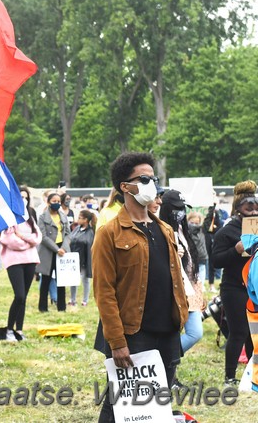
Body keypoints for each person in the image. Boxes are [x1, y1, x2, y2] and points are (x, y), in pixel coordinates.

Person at [93, 152, 188, 422]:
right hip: (134, 335)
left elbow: (174, 279)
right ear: (126, 187)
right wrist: (117, 341)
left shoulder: (165, 230)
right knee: (120, 407)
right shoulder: (109, 233)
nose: (153, 184)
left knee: (157, 406)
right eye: (145, 178)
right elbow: (104, 291)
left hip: (168, 332)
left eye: (154, 178)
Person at [211, 180, 257, 386]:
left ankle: (251, 374)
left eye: (256, 206)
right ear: (239, 208)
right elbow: (216, 260)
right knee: (239, 332)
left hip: (253, 286)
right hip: (234, 288)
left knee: (253, 333)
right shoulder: (227, 230)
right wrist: (236, 250)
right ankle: (230, 377)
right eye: (249, 207)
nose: (254, 210)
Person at [160, 190, 203, 371]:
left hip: (190, 288)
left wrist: (199, 290)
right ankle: (166, 365)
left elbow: (191, 264)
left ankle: (164, 361)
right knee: (181, 333)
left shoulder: (181, 230)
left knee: (195, 333)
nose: (181, 213)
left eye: (183, 209)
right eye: (177, 209)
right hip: (173, 290)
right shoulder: (161, 230)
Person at [0, 185, 41, 340]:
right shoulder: (9, 216)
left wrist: (23, 237)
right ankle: (9, 329)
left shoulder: (30, 214)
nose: (23, 200)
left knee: (25, 297)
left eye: (26, 197)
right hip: (14, 261)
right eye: (21, 197)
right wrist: (27, 242)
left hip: (30, 260)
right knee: (19, 295)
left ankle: (20, 330)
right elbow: (9, 239)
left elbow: (37, 237)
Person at [37, 193, 71, 312]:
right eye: (54, 201)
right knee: (46, 279)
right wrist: (56, 249)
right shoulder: (42, 217)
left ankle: (62, 307)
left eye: (58, 201)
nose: (56, 203)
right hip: (48, 250)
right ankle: (43, 307)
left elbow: (68, 234)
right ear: (48, 202)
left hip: (62, 249)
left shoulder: (63, 216)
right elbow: (43, 236)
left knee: (61, 280)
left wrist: (64, 248)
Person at [69, 210, 95, 307]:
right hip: (74, 259)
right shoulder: (76, 229)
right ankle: (72, 299)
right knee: (73, 280)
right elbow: (71, 239)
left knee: (85, 280)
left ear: (86, 220)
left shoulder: (90, 232)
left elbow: (88, 244)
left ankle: (85, 300)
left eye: (80, 217)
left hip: (84, 259)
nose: (78, 219)